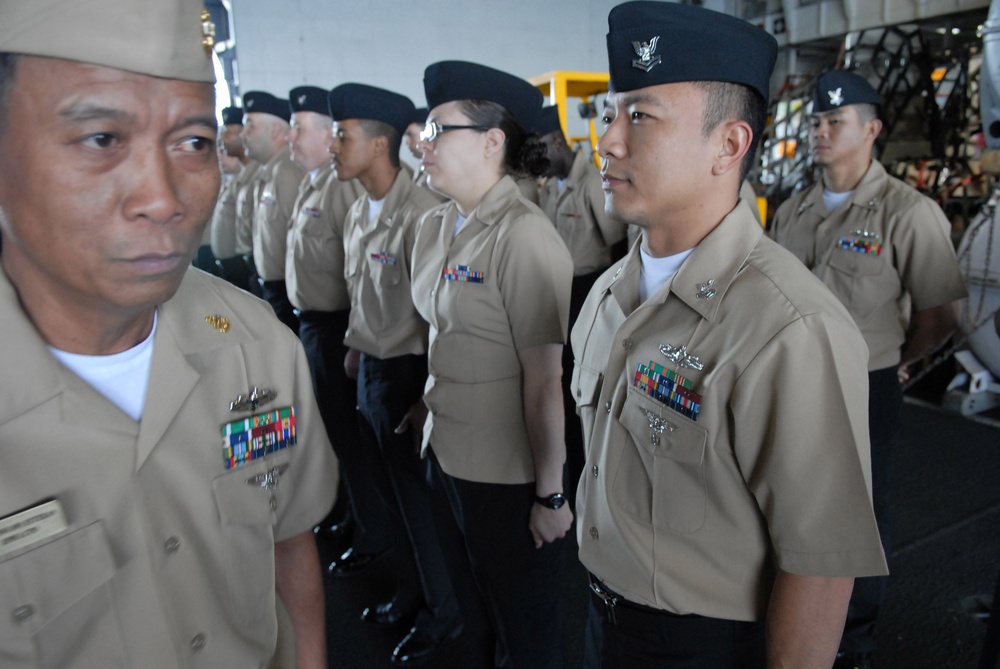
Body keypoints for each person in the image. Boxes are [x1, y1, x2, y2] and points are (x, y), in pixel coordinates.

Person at [0, 1, 338, 668]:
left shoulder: (255, 348)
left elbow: (289, 546)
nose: (163, 197)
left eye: (193, 142)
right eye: (101, 138)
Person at [571, 3, 888, 668]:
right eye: (611, 113)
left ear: (730, 144)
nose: (610, 141)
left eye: (642, 116)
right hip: (598, 618)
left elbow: (821, 566)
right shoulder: (606, 295)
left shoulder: (790, 328)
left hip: (701, 644)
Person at [769, 70, 967, 669]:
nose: (821, 132)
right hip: (789, 382)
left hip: (864, 384)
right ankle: (788, 623)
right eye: (816, 122)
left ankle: (850, 641)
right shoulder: (791, 209)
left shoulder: (909, 212)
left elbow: (941, 314)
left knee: (857, 518)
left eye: (836, 121)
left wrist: (901, 362)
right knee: (785, 500)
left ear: (872, 129)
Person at [408, 60, 574, 669]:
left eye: (438, 130)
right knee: (474, 620)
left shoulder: (523, 236)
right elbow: (445, 335)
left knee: (525, 634)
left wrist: (551, 496)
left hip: (505, 476)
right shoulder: (435, 226)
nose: (424, 145)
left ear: (492, 141)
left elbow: (544, 378)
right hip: (446, 456)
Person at [328, 82, 462, 666]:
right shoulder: (360, 209)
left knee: (421, 509)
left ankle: (445, 617)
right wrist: (356, 353)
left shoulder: (424, 215)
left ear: (380, 143)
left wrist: (429, 399)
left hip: (411, 375)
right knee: (389, 499)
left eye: (343, 134)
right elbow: (364, 295)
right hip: (374, 371)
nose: (335, 145)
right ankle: (412, 593)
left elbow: (444, 318)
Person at [536, 103, 628, 503]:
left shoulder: (592, 182)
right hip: (554, 292)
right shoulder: (548, 187)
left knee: (582, 384)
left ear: (558, 142)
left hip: (586, 290)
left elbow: (617, 247)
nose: (535, 160)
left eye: (540, 149)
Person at [242, 90, 305, 333]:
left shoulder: (286, 173)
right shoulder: (270, 171)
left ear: (275, 131)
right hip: (271, 288)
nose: (243, 134)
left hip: (284, 293)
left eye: (250, 126)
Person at [211, 105, 260, 292]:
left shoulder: (255, 176)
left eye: (229, 133)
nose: (222, 139)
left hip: (245, 267)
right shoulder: (239, 178)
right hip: (230, 267)